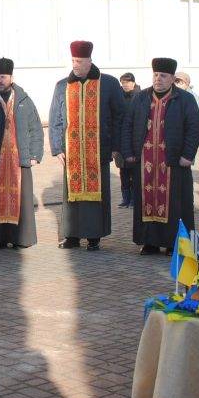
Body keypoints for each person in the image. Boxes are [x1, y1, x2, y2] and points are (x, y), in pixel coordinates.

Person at [48, 41, 125, 251]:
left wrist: (116, 146)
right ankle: (72, 236)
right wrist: (57, 148)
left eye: (79, 61)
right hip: (71, 153)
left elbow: (120, 116)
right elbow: (55, 118)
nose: (75, 65)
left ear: (89, 61)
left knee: (96, 197)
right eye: (73, 60)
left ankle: (94, 237)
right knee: (71, 198)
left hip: (98, 150)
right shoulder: (62, 85)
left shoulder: (107, 84)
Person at [121, 58, 199, 255]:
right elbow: (128, 125)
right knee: (147, 201)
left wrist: (188, 155)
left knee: (175, 204)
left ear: (172, 78)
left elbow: (194, 128)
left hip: (173, 162)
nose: (158, 79)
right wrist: (128, 152)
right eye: (156, 75)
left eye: (163, 76)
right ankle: (149, 242)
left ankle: (174, 243)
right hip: (145, 162)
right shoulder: (140, 98)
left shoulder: (185, 99)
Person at [0, 58, 43, 249]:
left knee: (20, 200)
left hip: (18, 159)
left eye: (3, 77)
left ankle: (19, 238)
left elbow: (35, 128)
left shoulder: (24, 100)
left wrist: (36, 154)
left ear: (11, 77)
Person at [118, 72, 140, 208]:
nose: (125, 85)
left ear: (133, 82)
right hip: (121, 140)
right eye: (123, 83)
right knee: (123, 171)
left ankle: (134, 199)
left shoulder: (140, 96)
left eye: (127, 82)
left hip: (134, 141)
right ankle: (125, 198)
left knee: (134, 172)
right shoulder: (119, 96)